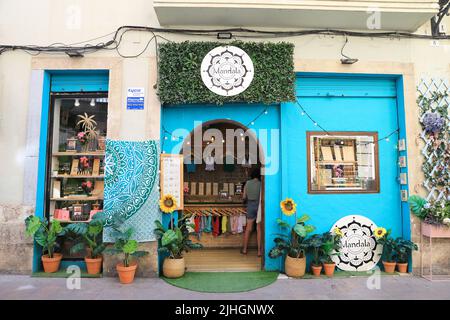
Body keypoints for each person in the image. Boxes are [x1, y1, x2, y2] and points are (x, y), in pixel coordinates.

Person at [241, 167, 262, 257]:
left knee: (248, 229)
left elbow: (244, 197)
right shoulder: (261, 184)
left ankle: (244, 249)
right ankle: (259, 252)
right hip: (259, 206)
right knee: (259, 229)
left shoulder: (247, 183)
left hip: (250, 206)